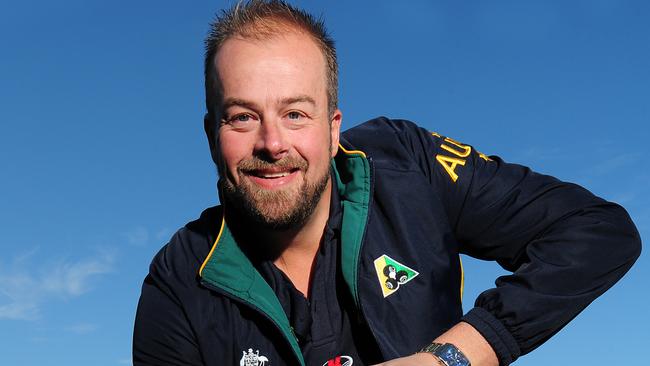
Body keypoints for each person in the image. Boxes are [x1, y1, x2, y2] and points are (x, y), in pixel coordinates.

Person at [133, 1, 642, 365]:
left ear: (333, 130)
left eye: (295, 113)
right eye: (242, 117)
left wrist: (451, 358)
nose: (272, 143)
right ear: (210, 134)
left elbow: (598, 231)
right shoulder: (178, 283)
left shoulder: (406, 163)